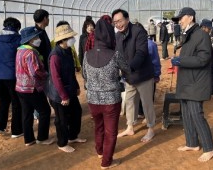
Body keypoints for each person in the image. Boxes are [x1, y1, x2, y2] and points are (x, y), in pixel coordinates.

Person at [83, 19, 130, 169]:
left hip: (93, 100)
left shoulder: (86, 55)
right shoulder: (114, 54)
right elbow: (127, 69)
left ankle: (100, 151)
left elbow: (84, 75)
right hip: (111, 100)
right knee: (111, 132)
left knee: (98, 127)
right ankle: (106, 162)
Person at [171, 7, 213, 162]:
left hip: (196, 82)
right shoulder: (189, 35)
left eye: (181, 18)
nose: (179, 21)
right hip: (186, 81)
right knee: (186, 113)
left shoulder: (201, 35)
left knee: (196, 114)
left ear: (190, 17)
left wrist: (180, 61)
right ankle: (192, 143)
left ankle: (209, 148)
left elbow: (203, 59)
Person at [112, 9, 156, 142]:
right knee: (130, 101)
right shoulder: (118, 36)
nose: (118, 24)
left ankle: (151, 129)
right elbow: (116, 54)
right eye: (115, 22)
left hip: (143, 75)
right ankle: (130, 126)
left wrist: (129, 67)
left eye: (120, 21)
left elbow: (141, 53)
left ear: (127, 19)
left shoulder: (139, 32)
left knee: (146, 102)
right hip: (129, 77)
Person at [48, 24, 86, 153]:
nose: (72, 39)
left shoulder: (68, 51)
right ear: (63, 39)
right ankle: (62, 143)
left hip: (70, 90)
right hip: (59, 95)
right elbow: (55, 78)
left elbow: (71, 72)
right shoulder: (55, 56)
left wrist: (76, 86)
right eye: (70, 37)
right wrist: (63, 96)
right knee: (62, 120)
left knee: (76, 112)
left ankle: (72, 136)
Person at [15, 26, 53, 146]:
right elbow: (35, 72)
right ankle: (42, 138)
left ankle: (29, 139)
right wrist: (47, 74)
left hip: (20, 87)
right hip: (32, 88)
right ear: (30, 40)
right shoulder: (31, 53)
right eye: (36, 37)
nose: (39, 39)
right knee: (45, 111)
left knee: (26, 113)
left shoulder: (20, 50)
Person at [137, 36, 161, 119]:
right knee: (142, 95)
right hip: (140, 74)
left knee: (148, 95)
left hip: (148, 74)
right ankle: (141, 112)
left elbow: (155, 60)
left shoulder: (150, 45)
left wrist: (156, 74)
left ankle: (146, 115)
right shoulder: (134, 43)